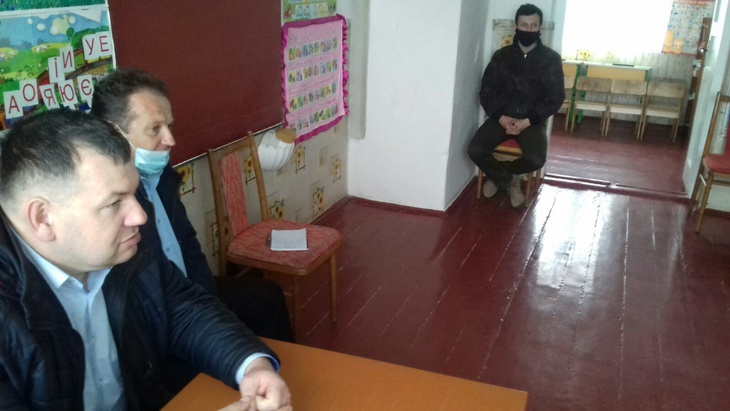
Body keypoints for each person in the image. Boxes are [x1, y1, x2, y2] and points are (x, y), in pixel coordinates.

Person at [0, 109, 291, 410]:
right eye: (114, 203)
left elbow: (183, 309)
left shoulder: (122, 245)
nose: (139, 216)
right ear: (42, 218)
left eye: (134, 193)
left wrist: (251, 366)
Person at [90, 68, 294, 344]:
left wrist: (208, 306)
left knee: (267, 297)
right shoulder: (107, 203)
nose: (170, 140)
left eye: (169, 126)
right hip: (158, 318)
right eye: (154, 129)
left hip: (188, 294)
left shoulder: (162, 176)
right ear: (113, 134)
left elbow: (188, 245)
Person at [467, 3, 564, 209]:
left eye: (533, 25)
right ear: (516, 27)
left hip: (531, 122)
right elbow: (486, 92)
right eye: (524, 25)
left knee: (536, 159)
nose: (529, 29)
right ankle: (509, 182)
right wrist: (501, 118)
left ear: (540, 28)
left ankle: (499, 176)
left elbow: (556, 97)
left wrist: (528, 121)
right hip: (500, 119)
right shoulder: (500, 57)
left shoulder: (551, 59)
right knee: (475, 149)